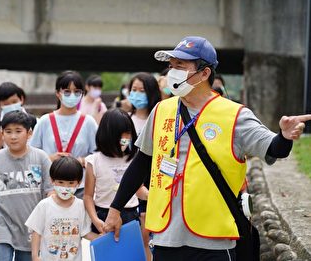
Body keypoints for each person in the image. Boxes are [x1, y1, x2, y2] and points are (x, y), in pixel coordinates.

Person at [103, 36, 311, 261]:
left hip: (213, 242)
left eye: (181, 66)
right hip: (165, 236)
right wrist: (115, 209)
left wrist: (285, 136)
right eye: (171, 66)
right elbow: (142, 162)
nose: (172, 72)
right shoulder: (162, 110)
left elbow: (274, 149)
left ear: (205, 73)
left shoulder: (235, 116)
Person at [0, 111, 53, 261]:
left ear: (29, 133)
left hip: (32, 228)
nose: (13, 136)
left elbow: (50, 191)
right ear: (2, 134)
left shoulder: (41, 158)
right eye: (8, 131)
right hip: (1, 227)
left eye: (18, 131)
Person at [29, 71, 98, 198]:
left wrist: (81, 161)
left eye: (77, 91)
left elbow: (99, 155)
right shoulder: (45, 121)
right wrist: (49, 159)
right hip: (51, 188)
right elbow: (31, 155)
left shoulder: (89, 122)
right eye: (67, 91)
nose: (72, 95)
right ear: (57, 93)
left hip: (80, 187)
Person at [83, 108, 145, 234]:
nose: (126, 139)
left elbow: (139, 189)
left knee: (130, 253)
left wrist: (154, 197)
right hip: (103, 215)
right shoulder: (94, 161)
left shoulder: (134, 159)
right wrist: (95, 220)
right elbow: (88, 196)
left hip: (130, 213)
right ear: (108, 135)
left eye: (128, 134)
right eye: (121, 134)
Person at [25, 156, 98, 261]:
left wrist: (104, 238)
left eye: (71, 183)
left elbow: (85, 232)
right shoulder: (44, 205)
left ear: (79, 182)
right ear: (52, 181)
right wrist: (35, 256)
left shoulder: (81, 206)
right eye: (61, 182)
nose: (66, 187)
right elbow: (36, 231)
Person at [126, 72, 161, 260]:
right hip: (129, 184)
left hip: (155, 182)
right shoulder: (125, 120)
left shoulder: (160, 120)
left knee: (152, 235)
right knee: (140, 237)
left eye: (142, 90)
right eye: (134, 90)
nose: (137, 94)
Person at [0, 82, 33, 155]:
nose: (11, 106)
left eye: (14, 102)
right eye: (6, 104)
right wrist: (4, 126)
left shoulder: (34, 121)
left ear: (21, 99)